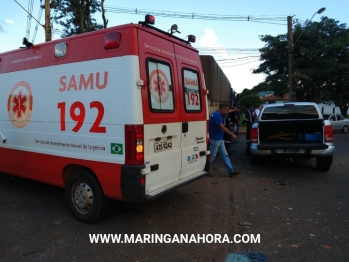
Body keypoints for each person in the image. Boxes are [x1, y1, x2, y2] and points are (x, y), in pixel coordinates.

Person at [209, 103, 241, 177]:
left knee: (225, 155)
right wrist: (232, 134)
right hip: (215, 139)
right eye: (226, 110)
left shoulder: (215, 114)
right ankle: (205, 170)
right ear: (222, 108)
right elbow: (222, 127)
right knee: (212, 156)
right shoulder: (217, 116)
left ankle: (231, 171)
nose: (227, 112)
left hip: (219, 138)